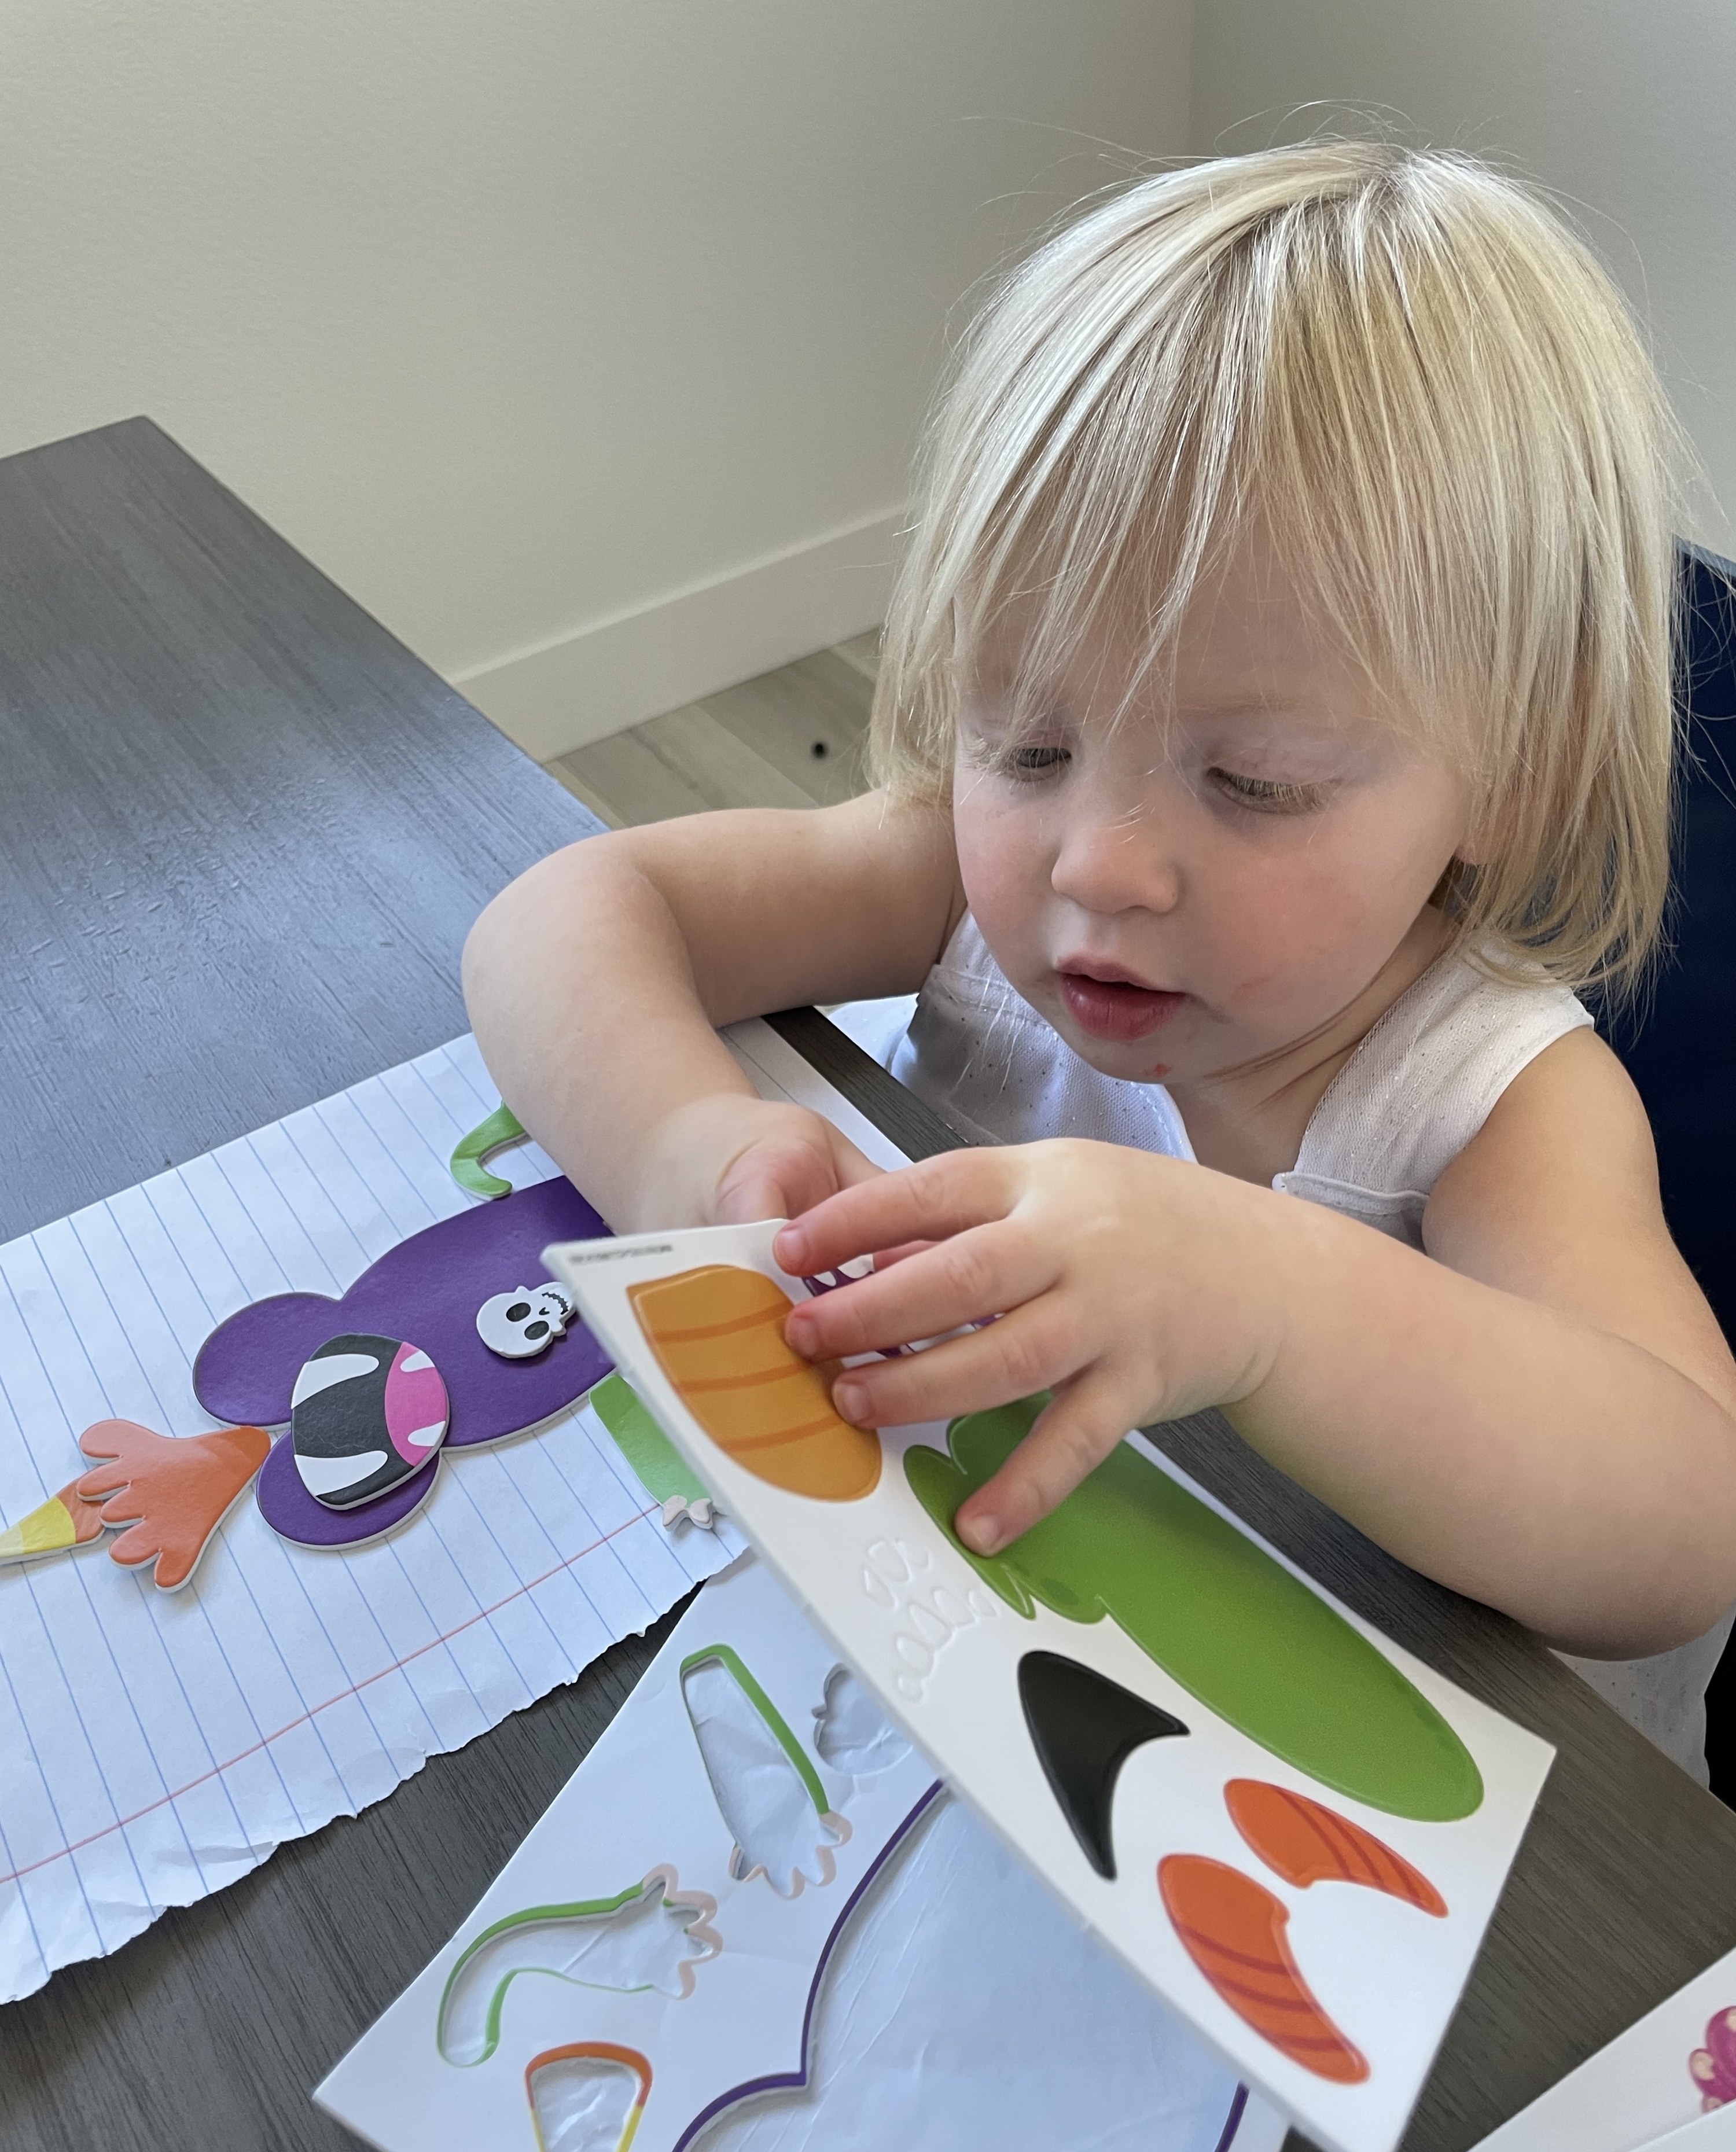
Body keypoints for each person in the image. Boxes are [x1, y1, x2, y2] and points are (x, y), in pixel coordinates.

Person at [465, 143, 1736, 1780]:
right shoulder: (959, 879)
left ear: (1519, 776)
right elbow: (555, 926)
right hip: (975, 1659)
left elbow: (1687, 1524)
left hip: (1442, 1835)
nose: (1095, 863)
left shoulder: (1494, 1099)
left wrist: (1262, 1301)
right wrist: (687, 1148)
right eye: (1028, 738)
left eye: (1254, 782)